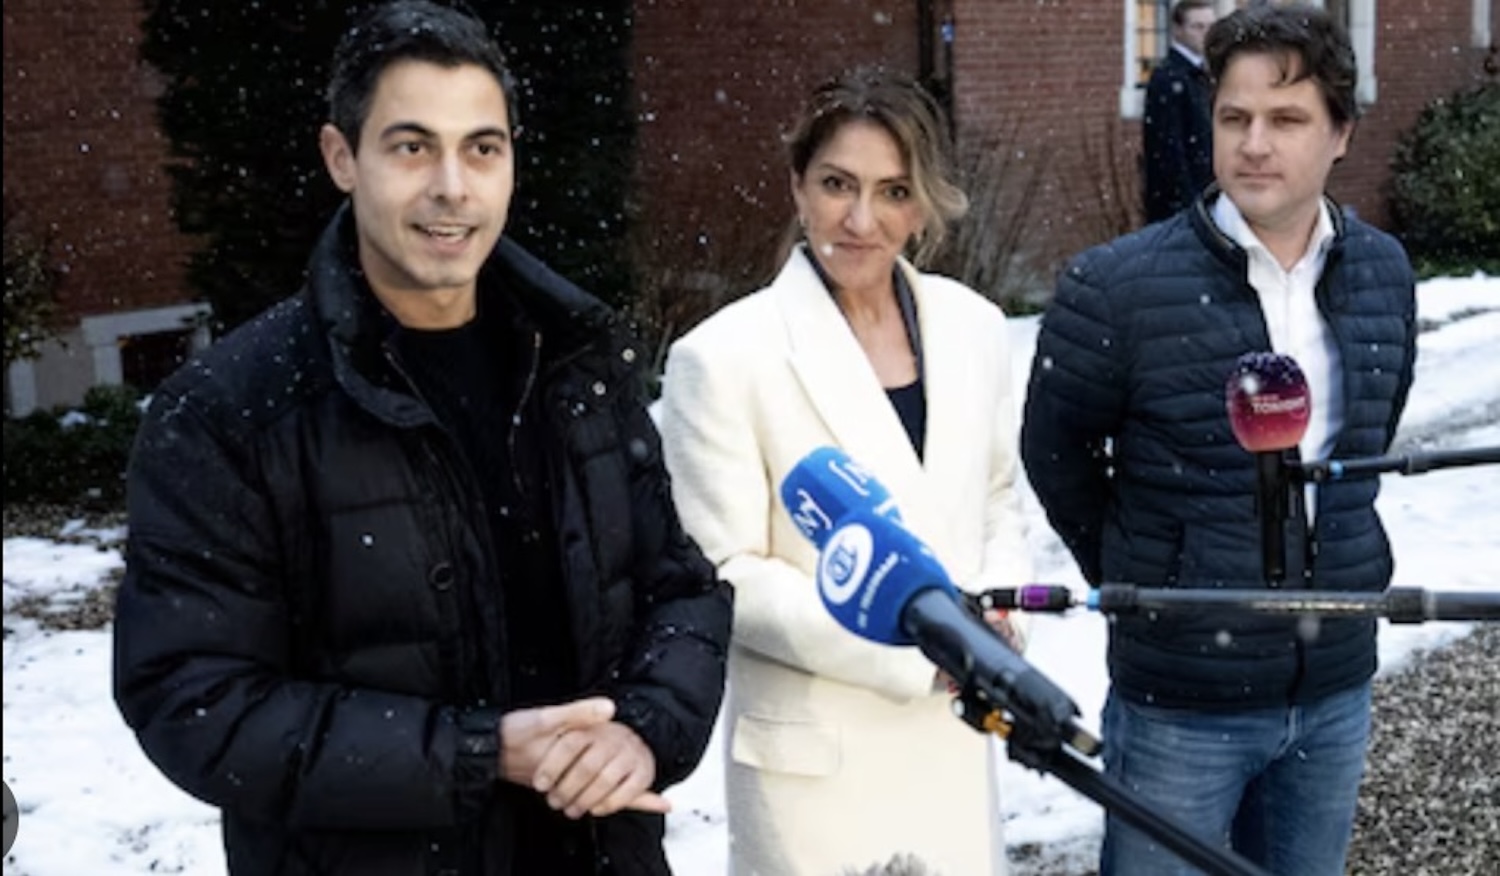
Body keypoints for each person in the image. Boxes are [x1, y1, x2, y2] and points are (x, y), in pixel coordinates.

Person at [111, 3, 732, 874]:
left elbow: (681, 590)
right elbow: (194, 698)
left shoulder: (576, 369)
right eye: (411, 147)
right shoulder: (229, 414)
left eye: (482, 148)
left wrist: (642, 728)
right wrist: (479, 753)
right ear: (342, 158)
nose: (452, 186)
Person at [1021, 4, 1417, 876]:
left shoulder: (1383, 274)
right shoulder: (1116, 289)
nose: (1254, 145)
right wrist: (1151, 578)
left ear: (1341, 133)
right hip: (1181, 702)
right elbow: (1056, 456)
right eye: (1235, 117)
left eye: (1286, 119)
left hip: (1334, 687)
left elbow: (1368, 441)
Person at [657, 66, 1032, 876]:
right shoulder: (723, 358)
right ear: (797, 187)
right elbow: (728, 574)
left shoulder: (973, 329)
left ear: (923, 203)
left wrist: (993, 618)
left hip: (951, 742)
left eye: (893, 191)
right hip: (818, 767)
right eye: (837, 185)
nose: (862, 220)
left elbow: (995, 501)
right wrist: (921, 641)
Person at [1142, 0, 1218, 224]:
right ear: (1177, 30)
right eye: (1197, 27)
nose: (1205, 34)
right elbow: (1168, 149)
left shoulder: (1201, 75)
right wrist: (1189, 203)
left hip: (1202, 196)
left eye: (1210, 27)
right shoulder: (1169, 78)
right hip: (1182, 205)